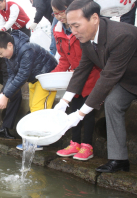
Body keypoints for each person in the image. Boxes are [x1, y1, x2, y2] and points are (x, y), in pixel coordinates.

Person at [54, 0, 137, 173]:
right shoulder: (86, 38)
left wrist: (81, 113)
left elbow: (108, 77)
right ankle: (119, 159)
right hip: (128, 81)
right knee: (113, 103)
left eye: (76, 26)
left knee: (110, 96)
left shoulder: (122, 35)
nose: (73, 32)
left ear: (94, 18)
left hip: (126, 75)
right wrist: (65, 101)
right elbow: (82, 69)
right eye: (70, 26)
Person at [50, 0, 101, 161]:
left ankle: (87, 146)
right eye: (54, 14)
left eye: (60, 13)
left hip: (92, 74)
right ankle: (75, 143)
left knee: (87, 111)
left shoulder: (80, 29)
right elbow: (64, 59)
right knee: (73, 109)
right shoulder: (57, 31)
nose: (58, 17)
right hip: (74, 78)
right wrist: (52, 75)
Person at [0, 30, 58, 150]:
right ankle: (35, 139)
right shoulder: (9, 55)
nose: (1, 56)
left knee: (39, 108)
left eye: (1, 53)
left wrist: (6, 96)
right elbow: (12, 75)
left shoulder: (26, 49)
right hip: (35, 79)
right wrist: (4, 93)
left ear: (10, 45)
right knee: (33, 107)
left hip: (48, 77)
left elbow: (22, 76)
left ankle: (40, 140)